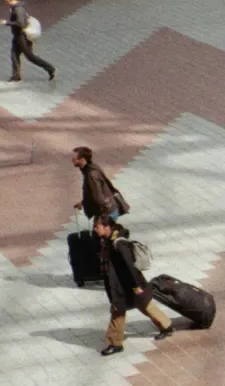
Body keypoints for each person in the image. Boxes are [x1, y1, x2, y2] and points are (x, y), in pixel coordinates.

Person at [93, 216, 173, 357]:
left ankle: (115, 343)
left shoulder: (118, 244)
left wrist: (136, 286)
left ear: (106, 227)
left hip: (125, 285)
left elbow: (131, 267)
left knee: (118, 311)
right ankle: (166, 325)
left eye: (97, 226)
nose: (94, 229)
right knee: (144, 305)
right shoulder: (107, 240)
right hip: (121, 284)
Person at [0, 0, 55, 81]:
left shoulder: (18, 9)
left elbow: (21, 24)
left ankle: (50, 68)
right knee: (14, 54)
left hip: (22, 36)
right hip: (17, 36)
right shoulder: (15, 8)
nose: (6, 3)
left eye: (6, 1)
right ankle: (16, 76)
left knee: (30, 57)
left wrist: (7, 23)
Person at [72, 146, 128, 222]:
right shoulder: (92, 168)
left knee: (100, 233)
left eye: (74, 158)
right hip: (109, 209)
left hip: (106, 213)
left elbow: (98, 198)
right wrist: (83, 202)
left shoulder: (91, 175)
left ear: (82, 160)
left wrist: (100, 219)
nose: (72, 159)